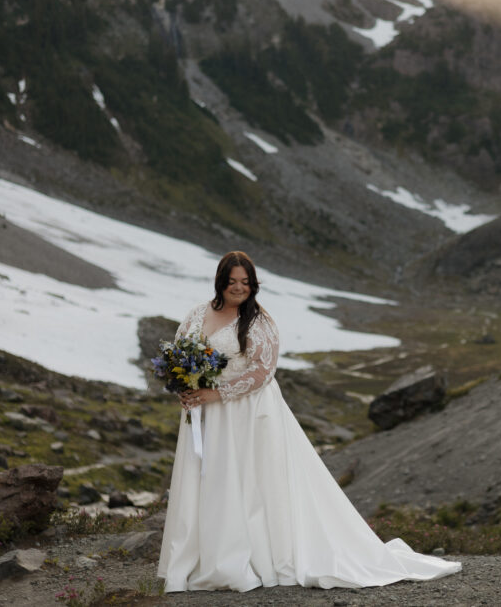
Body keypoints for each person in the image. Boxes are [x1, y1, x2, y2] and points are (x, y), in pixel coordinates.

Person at [157, 251, 461, 592]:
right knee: (209, 479)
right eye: (232, 282)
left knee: (249, 482)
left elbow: (262, 371)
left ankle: (245, 558)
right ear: (220, 282)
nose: (238, 288)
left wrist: (219, 393)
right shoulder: (198, 314)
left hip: (248, 412)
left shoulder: (259, 322)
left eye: (245, 283)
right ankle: (202, 558)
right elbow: (179, 355)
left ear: (253, 285)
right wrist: (185, 389)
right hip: (206, 412)